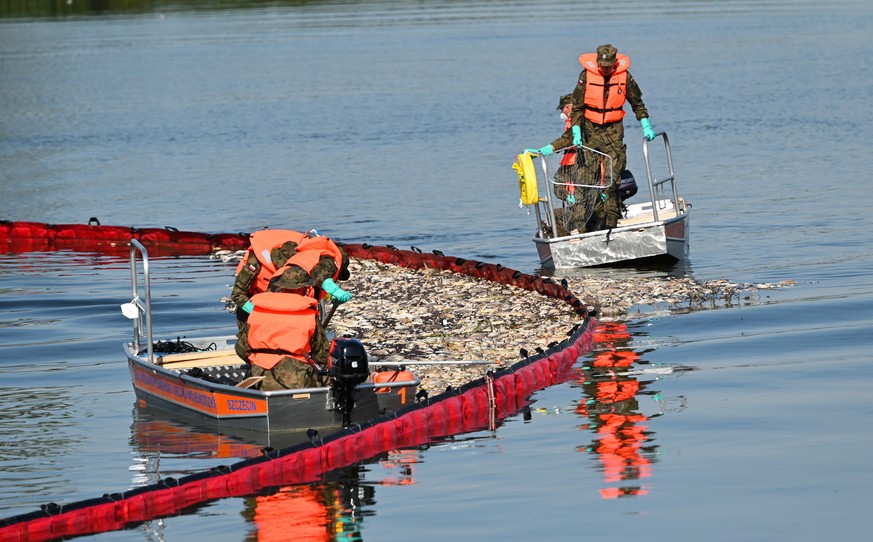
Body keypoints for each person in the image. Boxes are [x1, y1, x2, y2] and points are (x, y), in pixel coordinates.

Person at [531, 44, 656, 230]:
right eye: (602, 66)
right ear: (597, 62)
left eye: (608, 66)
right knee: (586, 183)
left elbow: (637, 103)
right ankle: (583, 230)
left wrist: (645, 124)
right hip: (589, 132)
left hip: (613, 133)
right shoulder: (586, 76)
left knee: (612, 182)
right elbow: (578, 107)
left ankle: (611, 228)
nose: (605, 69)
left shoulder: (625, 77)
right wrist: (575, 132)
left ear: (614, 63)